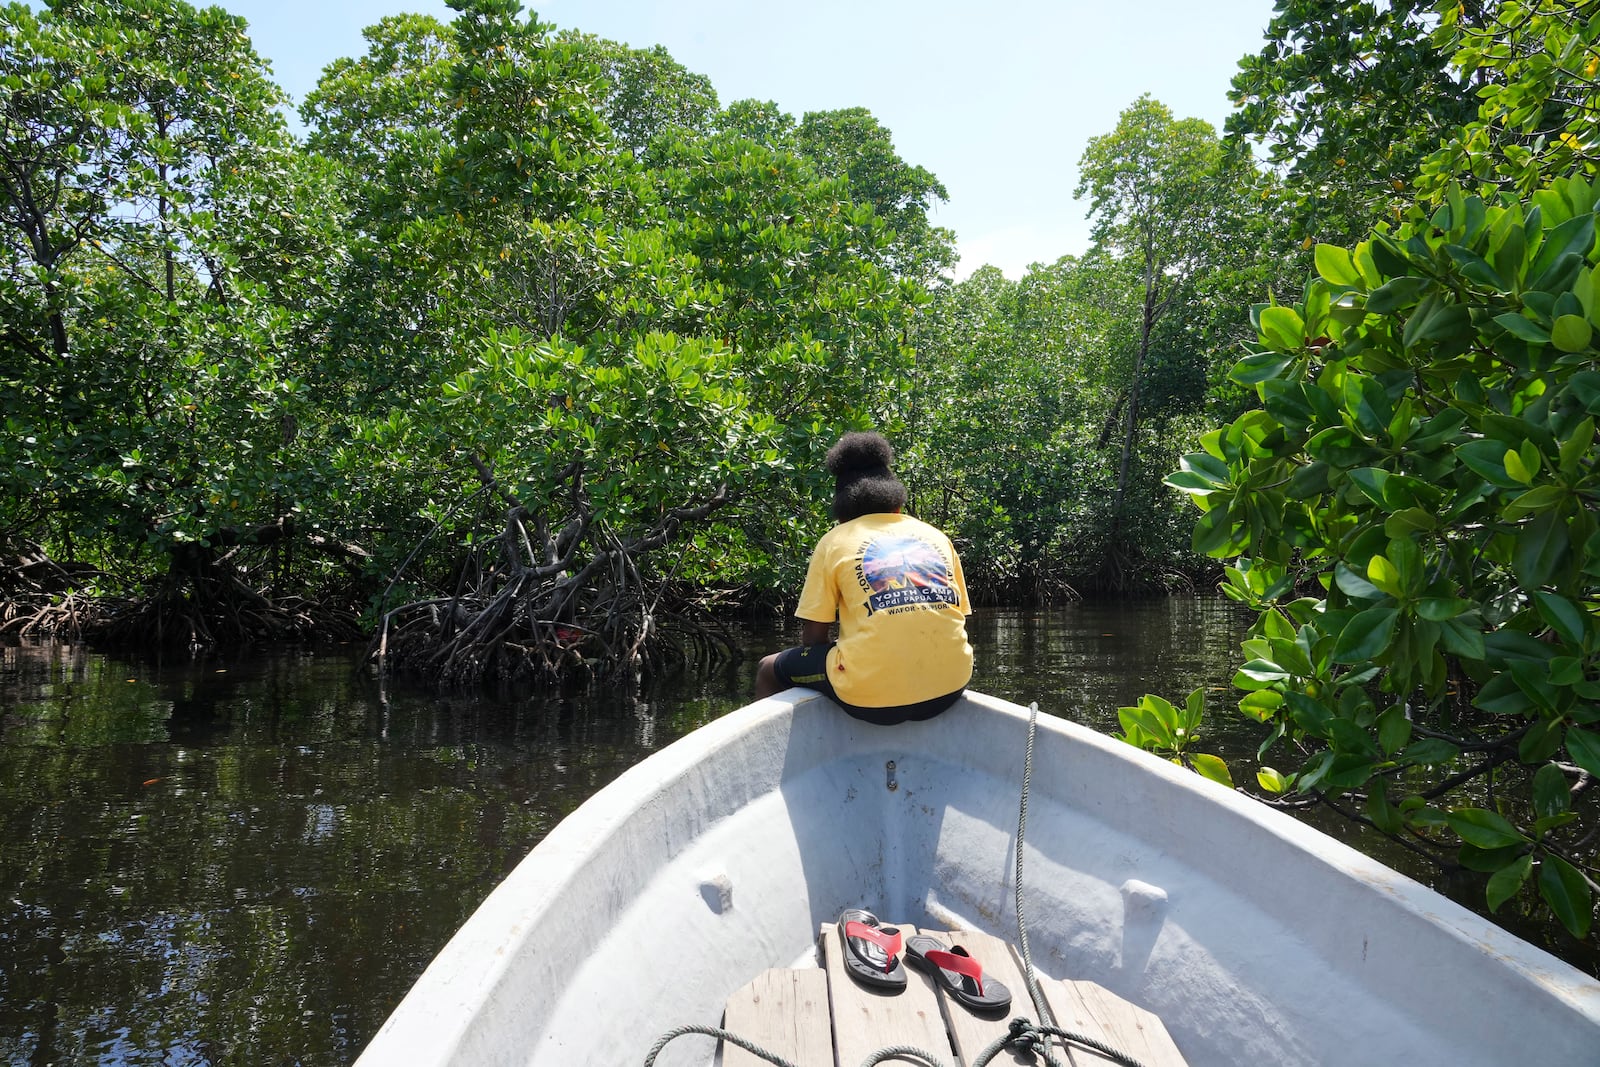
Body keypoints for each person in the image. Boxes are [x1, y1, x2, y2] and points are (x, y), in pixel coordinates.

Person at [755, 431, 973, 725]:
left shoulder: (834, 541)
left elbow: (813, 640)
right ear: (896, 504)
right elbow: (956, 617)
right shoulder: (935, 537)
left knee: (768, 667)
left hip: (868, 703)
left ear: (843, 513)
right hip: (951, 686)